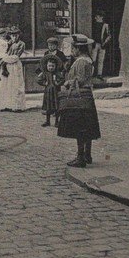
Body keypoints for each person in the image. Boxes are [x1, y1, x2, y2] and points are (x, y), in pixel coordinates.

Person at [57, 34, 101, 167]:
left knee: (80, 128)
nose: (72, 50)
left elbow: (80, 80)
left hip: (79, 97)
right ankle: (87, 154)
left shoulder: (81, 61)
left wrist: (67, 83)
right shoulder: (87, 60)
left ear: (78, 48)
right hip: (86, 96)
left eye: (73, 48)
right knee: (87, 127)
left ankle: (81, 157)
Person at [37, 37, 67, 127]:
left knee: (56, 102)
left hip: (56, 83)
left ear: (56, 46)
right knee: (48, 104)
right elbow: (42, 65)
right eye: (49, 45)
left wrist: (60, 75)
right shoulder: (46, 53)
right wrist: (42, 75)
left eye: (53, 45)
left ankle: (57, 120)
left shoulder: (60, 54)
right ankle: (47, 120)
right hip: (48, 88)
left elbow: (64, 65)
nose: (51, 47)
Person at [0, 28, 26, 112]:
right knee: (5, 85)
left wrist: (4, 59)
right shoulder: (7, 43)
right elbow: (2, 52)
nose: (14, 37)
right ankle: (5, 104)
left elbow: (16, 56)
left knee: (16, 85)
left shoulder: (21, 44)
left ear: (19, 35)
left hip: (15, 66)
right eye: (12, 35)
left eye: (16, 35)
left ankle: (16, 105)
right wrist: (3, 58)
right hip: (6, 66)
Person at [92, 12, 111, 78]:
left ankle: (99, 74)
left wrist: (105, 42)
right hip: (95, 44)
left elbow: (109, 36)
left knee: (101, 60)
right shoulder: (94, 25)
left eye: (97, 17)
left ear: (101, 17)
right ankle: (92, 73)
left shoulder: (106, 25)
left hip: (102, 45)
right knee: (93, 60)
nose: (95, 18)